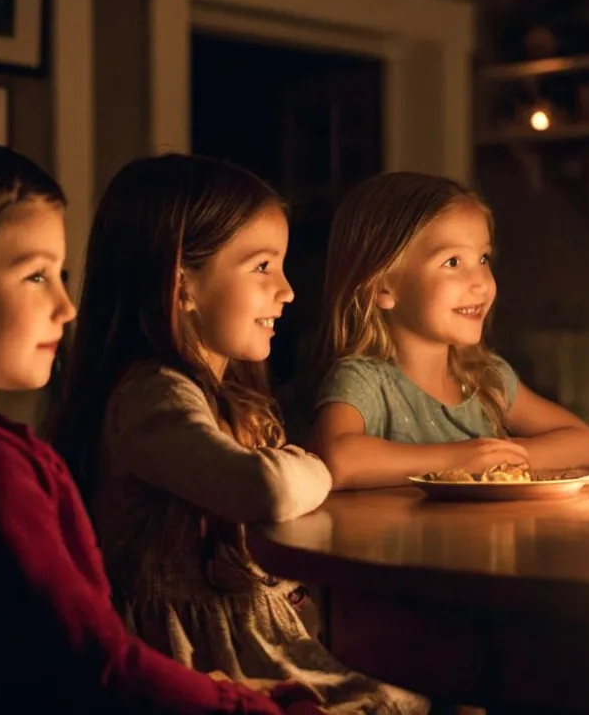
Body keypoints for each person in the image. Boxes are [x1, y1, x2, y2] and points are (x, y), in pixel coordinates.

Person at [0, 129, 321, 714]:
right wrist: (243, 707)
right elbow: (90, 662)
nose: (67, 305)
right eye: (36, 276)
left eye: (62, 274)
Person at [53, 155, 427, 714]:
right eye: (261, 267)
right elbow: (264, 489)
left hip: (244, 633)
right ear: (181, 285)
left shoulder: (216, 393)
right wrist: (318, 464)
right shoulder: (152, 394)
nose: (287, 291)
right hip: (191, 660)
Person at [308, 171, 589, 490]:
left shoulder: (486, 379)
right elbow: (336, 459)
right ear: (383, 286)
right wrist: (458, 460)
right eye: (452, 262)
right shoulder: (364, 380)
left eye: (483, 258)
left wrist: (499, 459)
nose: (480, 281)